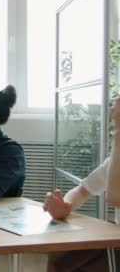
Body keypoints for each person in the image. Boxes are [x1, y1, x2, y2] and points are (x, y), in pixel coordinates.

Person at [43, 99, 120, 272]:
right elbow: (83, 190)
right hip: (116, 239)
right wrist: (67, 205)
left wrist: (118, 132)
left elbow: (115, 197)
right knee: (60, 255)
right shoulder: (115, 161)